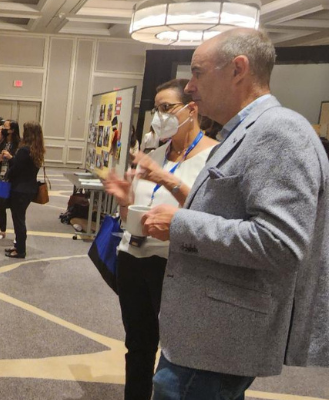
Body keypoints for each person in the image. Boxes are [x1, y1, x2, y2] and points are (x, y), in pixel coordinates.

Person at [140, 28, 329, 399]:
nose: (190, 87)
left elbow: (282, 243)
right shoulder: (249, 132)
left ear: (238, 69)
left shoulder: (279, 132)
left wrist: (181, 224)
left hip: (217, 340)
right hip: (207, 333)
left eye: (197, 72)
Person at [104, 78, 218, 400]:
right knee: (137, 344)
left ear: (191, 109)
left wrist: (166, 179)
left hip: (175, 264)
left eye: (167, 108)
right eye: (156, 109)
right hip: (132, 256)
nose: (159, 116)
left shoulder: (215, 156)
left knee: (176, 353)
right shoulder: (156, 152)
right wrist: (125, 198)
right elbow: (131, 217)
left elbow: (209, 215)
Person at [2, 121, 45, 258]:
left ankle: (20, 250)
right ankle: (18, 246)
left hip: (19, 189)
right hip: (29, 188)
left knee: (19, 220)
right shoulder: (37, 149)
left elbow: (15, 169)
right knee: (20, 219)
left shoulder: (25, 150)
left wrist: (9, 162)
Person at [0, 120, 19, 240]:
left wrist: (11, 157)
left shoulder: (18, 145)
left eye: (6, 127)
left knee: (15, 207)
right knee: (1, 206)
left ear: (12, 130)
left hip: (13, 179)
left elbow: (20, 164)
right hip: (0, 179)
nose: (3, 129)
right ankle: (2, 231)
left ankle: (18, 235)